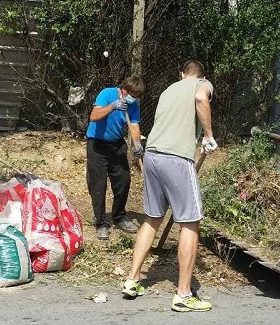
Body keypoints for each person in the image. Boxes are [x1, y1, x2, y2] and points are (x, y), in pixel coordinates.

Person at [121, 60, 218, 312]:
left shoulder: (169, 89)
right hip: (177, 158)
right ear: (200, 75)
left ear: (181, 73)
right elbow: (200, 98)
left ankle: (132, 279)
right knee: (190, 221)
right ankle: (184, 294)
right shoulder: (202, 84)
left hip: (152, 155)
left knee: (152, 218)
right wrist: (208, 136)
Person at [87, 76, 145, 241]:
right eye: (131, 94)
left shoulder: (133, 104)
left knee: (123, 180)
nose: (132, 98)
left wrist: (137, 145)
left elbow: (134, 125)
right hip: (97, 144)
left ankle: (119, 216)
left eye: (136, 96)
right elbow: (94, 115)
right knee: (98, 185)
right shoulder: (107, 93)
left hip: (117, 144)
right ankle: (100, 222)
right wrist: (113, 106)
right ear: (124, 89)